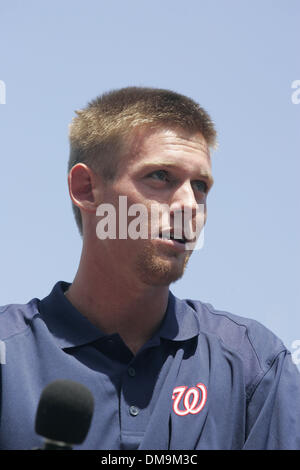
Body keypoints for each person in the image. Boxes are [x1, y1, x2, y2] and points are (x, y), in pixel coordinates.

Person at [1, 86, 300, 450]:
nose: (190, 205)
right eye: (161, 176)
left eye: (201, 185)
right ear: (86, 188)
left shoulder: (255, 366)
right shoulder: (10, 358)